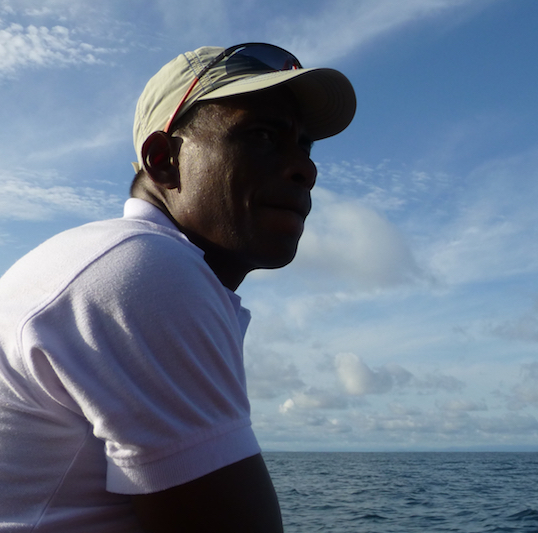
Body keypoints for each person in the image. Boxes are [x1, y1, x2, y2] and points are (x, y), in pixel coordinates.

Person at [0, 43, 356, 532]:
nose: (305, 169)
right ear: (163, 160)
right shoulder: (145, 272)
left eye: (305, 146)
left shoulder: (103, 257)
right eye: (262, 136)